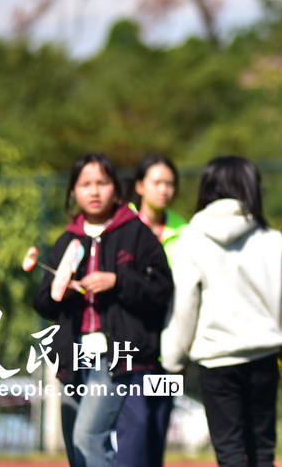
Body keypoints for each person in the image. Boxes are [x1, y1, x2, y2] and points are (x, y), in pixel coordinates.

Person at [161, 155, 282, 467]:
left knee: (229, 452)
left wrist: (173, 359)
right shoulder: (270, 238)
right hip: (263, 358)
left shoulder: (192, 237)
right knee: (262, 451)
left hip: (216, 360)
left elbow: (185, 305)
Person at [33, 152, 174, 467]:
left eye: (102, 182)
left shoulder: (137, 233)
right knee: (77, 449)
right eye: (85, 184)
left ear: (117, 188)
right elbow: (42, 302)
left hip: (116, 359)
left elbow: (161, 291)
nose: (94, 191)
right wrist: (62, 291)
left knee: (88, 438)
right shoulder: (67, 240)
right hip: (72, 357)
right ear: (73, 191)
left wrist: (118, 281)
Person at [115, 153, 189, 467]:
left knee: (158, 423)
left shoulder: (186, 231)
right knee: (136, 424)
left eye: (170, 183)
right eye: (157, 182)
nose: (164, 190)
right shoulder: (121, 226)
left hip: (169, 342)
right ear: (140, 186)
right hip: (131, 342)